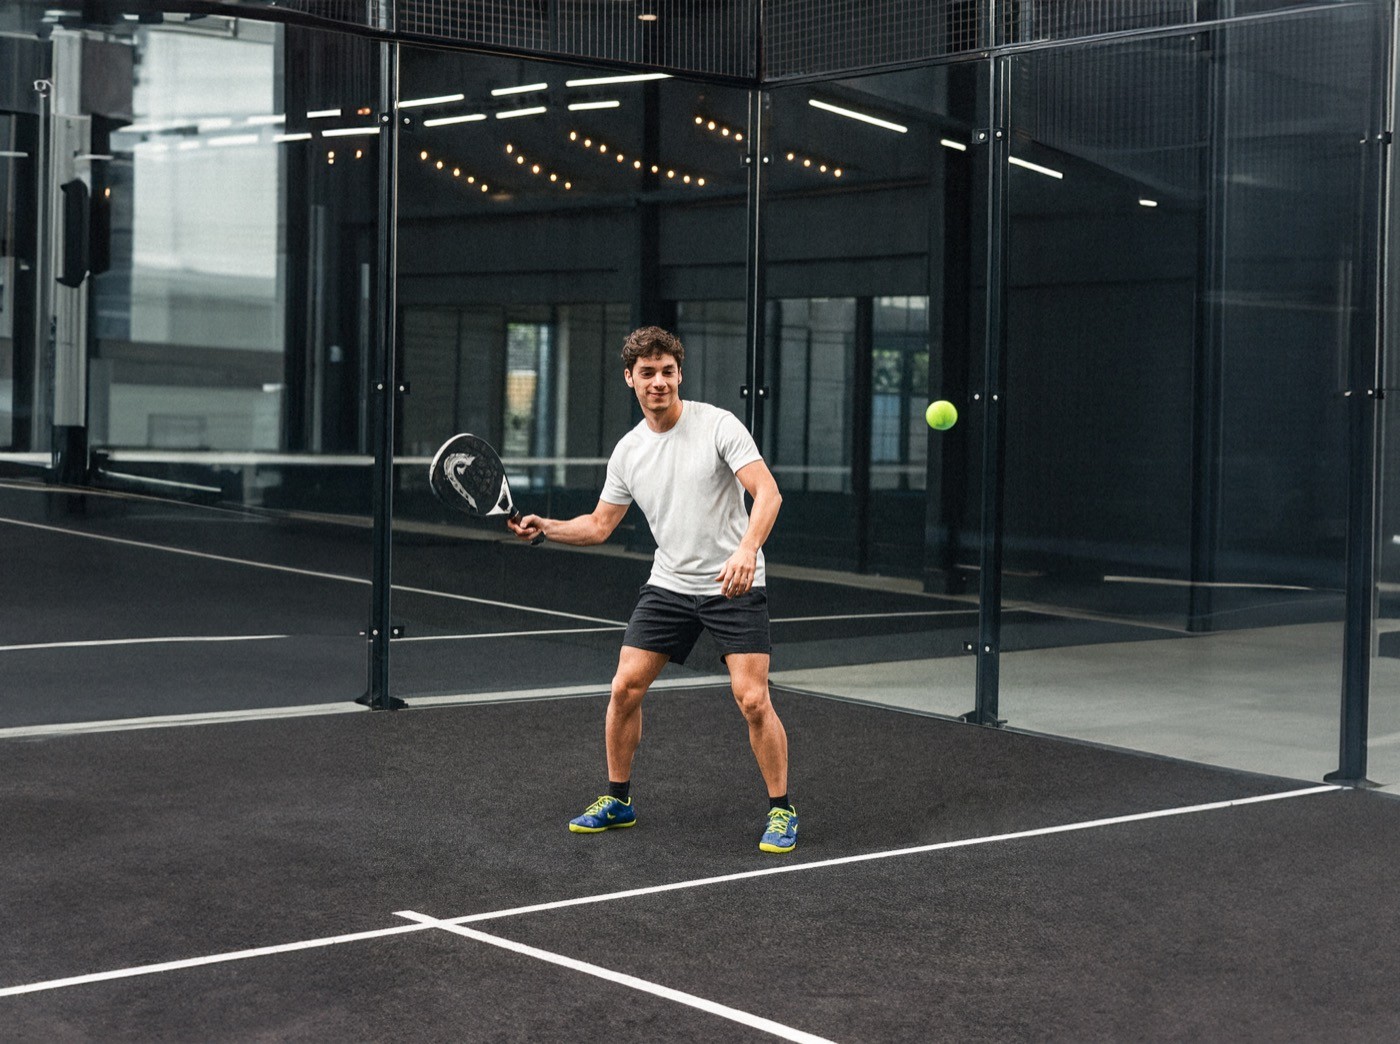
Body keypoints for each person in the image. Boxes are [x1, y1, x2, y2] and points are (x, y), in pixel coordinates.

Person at [506, 325, 797, 854]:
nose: (658, 382)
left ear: (679, 374)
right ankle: (618, 799)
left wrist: (746, 550)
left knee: (753, 700)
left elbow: (768, 492)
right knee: (624, 688)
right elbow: (598, 526)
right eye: (648, 374)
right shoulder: (629, 451)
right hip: (669, 585)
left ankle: (781, 810)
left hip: (733, 582)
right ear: (630, 379)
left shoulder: (718, 426)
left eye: (667, 372)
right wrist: (545, 526)